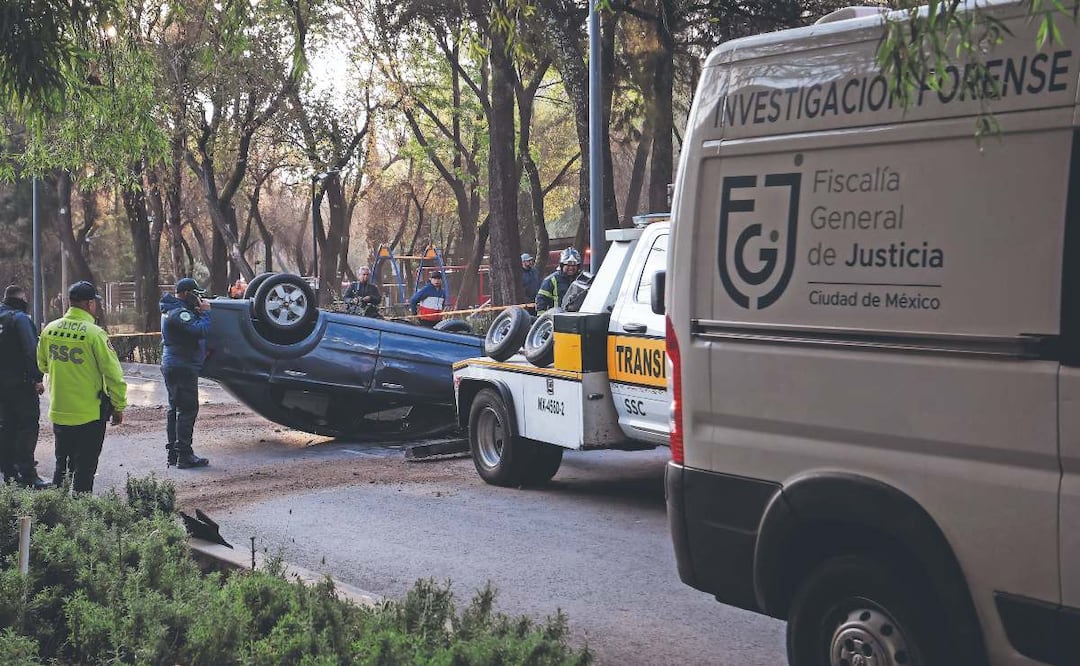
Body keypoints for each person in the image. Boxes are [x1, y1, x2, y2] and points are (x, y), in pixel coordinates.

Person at [37, 281, 127, 493]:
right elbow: (113, 375)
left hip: (60, 411)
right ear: (90, 303)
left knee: (62, 466)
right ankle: (81, 508)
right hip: (89, 414)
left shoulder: (50, 330)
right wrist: (119, 406)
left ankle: (56, 507)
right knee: (85, 468)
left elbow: (42, 365)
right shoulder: (95, 334)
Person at [0, 285, 50, 488]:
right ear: (21, 300)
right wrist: (37, 378)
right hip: (21, 385)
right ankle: (28, 474)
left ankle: (9, 472)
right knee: (27, 427)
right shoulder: (20, 319)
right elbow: (31, 351)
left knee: (6, 427)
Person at [159, 277, 212, 469]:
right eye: (196, 294)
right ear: (187, 293)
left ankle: (174, 454)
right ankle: (184, 455)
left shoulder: (171, 309)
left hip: (174, 364)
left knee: (175, 409)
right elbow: (200, 330)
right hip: (182, 366)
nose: (199, 298)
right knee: (187, 410)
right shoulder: (178, 313)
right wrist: (205, 313)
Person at [536, 247, 581, 312]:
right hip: (558, 316)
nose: (571, 268)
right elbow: (541, 299)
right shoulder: (551, 280)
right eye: (568, 265)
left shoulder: (581, 280)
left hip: (579, 316)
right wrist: (542, 316)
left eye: (574, 265)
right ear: (562, 265)